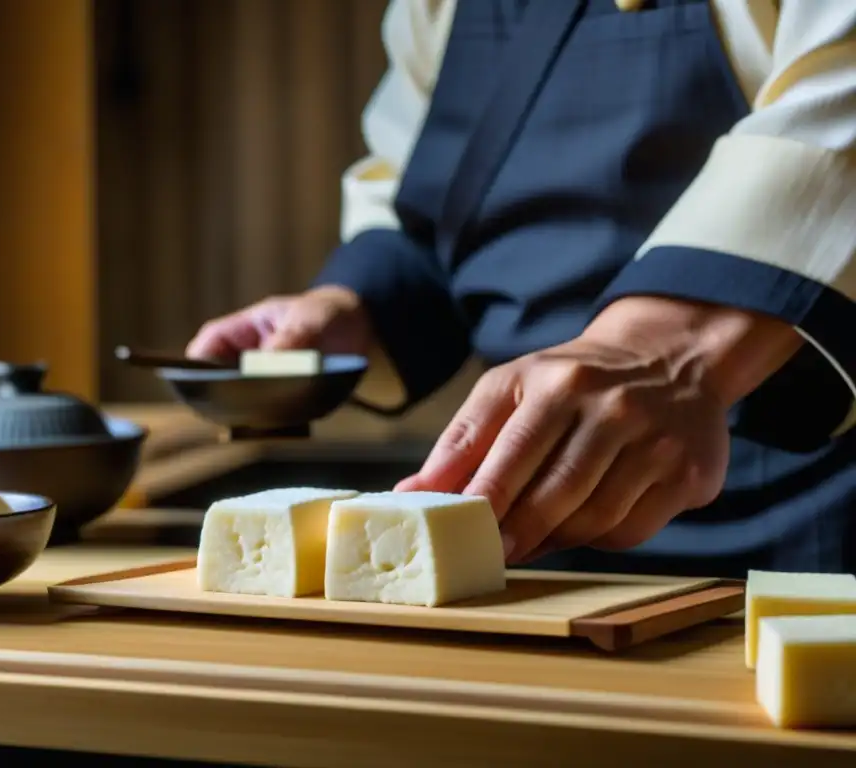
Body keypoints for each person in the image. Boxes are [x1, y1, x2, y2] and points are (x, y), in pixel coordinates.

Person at [187, 0, 856, 578]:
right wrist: (349, 306)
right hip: (526, 539)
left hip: (804, 526)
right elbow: (422, 189)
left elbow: (836, 115)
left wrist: (661, 350)